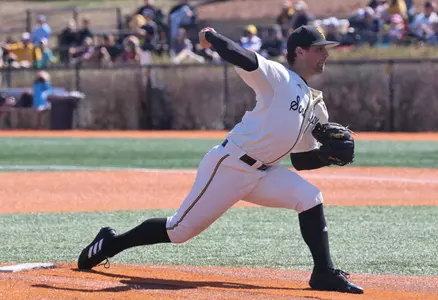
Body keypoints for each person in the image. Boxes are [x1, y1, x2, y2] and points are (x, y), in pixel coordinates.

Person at [76, 25, 363, 295]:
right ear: (299, 52)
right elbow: (244, 57)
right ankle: (110, 243)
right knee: (178, 231)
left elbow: (301, 161)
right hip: (230, 165)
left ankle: (323, 272)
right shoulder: (279, 77)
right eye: (319, 49)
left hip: (264, 173)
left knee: (309, 196)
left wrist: (326, 157)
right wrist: (212, 37)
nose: (326, 54)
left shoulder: (316, 105)